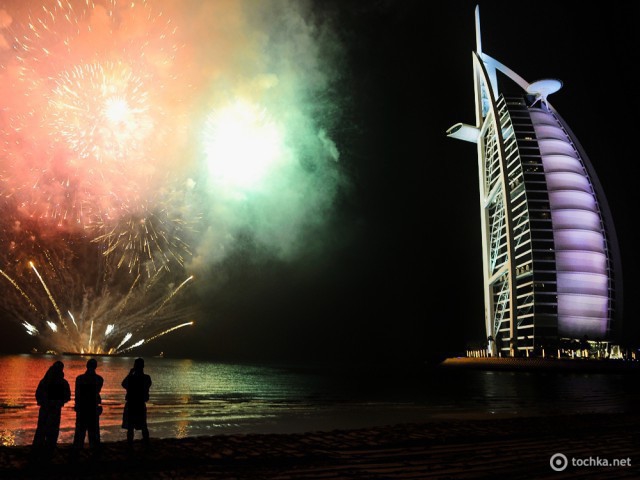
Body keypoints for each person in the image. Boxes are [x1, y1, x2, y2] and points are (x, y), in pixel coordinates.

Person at [31, 360, 71, 461]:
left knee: (41, 430)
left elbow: (38, 394)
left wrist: (42, 402)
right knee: (52, 431)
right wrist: (59, 402)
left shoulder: (45, 381)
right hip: (55, 409)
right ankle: (49, 450)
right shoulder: (62, 382)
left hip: (45, 408)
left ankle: (37, 450)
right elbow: (67, 396)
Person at [72, 358, 104, 453]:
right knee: (93, 431)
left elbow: (77, 394)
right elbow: (97, 391)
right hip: (93, 407)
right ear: (96, 366)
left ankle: (77, 450)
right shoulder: (99, 379)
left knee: (80, 431)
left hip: (82, 407)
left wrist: (77, 405)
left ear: (87, 366)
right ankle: (94, 450)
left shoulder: (79, 378)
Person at [121, 357, 152, 445]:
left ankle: (130, 445)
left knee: (130, 427)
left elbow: (123, 384)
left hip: (131, 404)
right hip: (140, 404)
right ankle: (146, 444)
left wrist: (130, 373)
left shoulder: (132, 378)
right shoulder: (147, 378)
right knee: (143, 426)